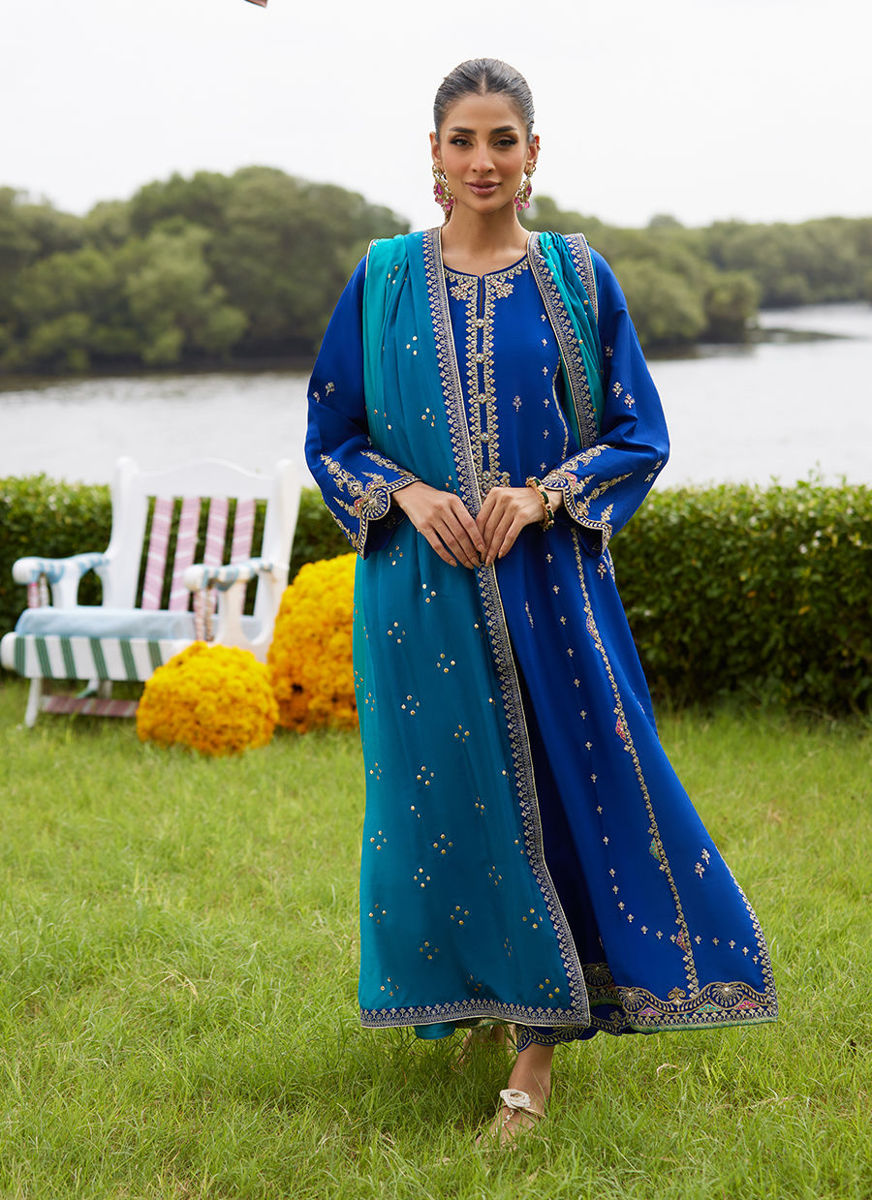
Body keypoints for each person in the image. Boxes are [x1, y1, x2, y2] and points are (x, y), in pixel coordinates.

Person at [305, 58, 777, 1146]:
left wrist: (543, 493)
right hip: (419, 591)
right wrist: (407, 493)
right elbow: (332, 432)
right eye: (462, 140)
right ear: (433, 154)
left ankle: (536, 1058)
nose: (483, 160)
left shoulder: (574, 274)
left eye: (502, 139)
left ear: (533, 153)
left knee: (566, 793)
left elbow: (637, 431)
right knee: (446, 803)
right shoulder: (381, 277)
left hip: (551, 586)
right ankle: (487, 990)